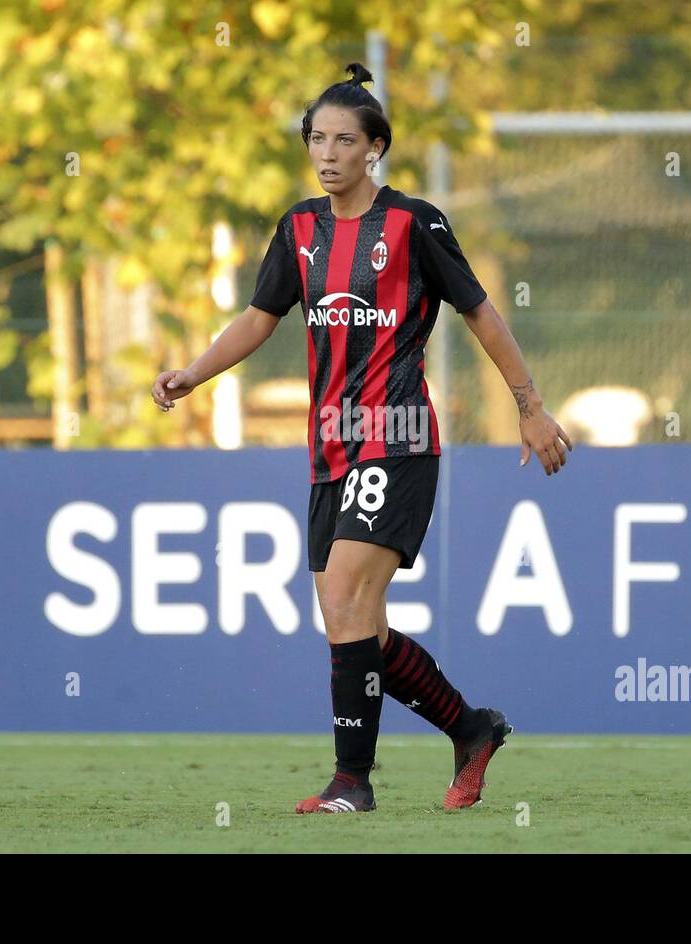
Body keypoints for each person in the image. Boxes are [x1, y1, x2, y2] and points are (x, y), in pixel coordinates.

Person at [152, 62, 571, 813]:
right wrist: (196, 373)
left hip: (398, 435)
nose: (329, 152)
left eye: (346, 139)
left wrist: (528, 404)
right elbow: (258, 318)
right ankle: (471, 729)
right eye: (318, 137)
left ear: (375, 147)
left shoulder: (414, 224)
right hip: (328, 448)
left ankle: (353, 782)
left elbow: (479, 312)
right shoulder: (299, 229)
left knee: (345, 596)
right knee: (357, 628)